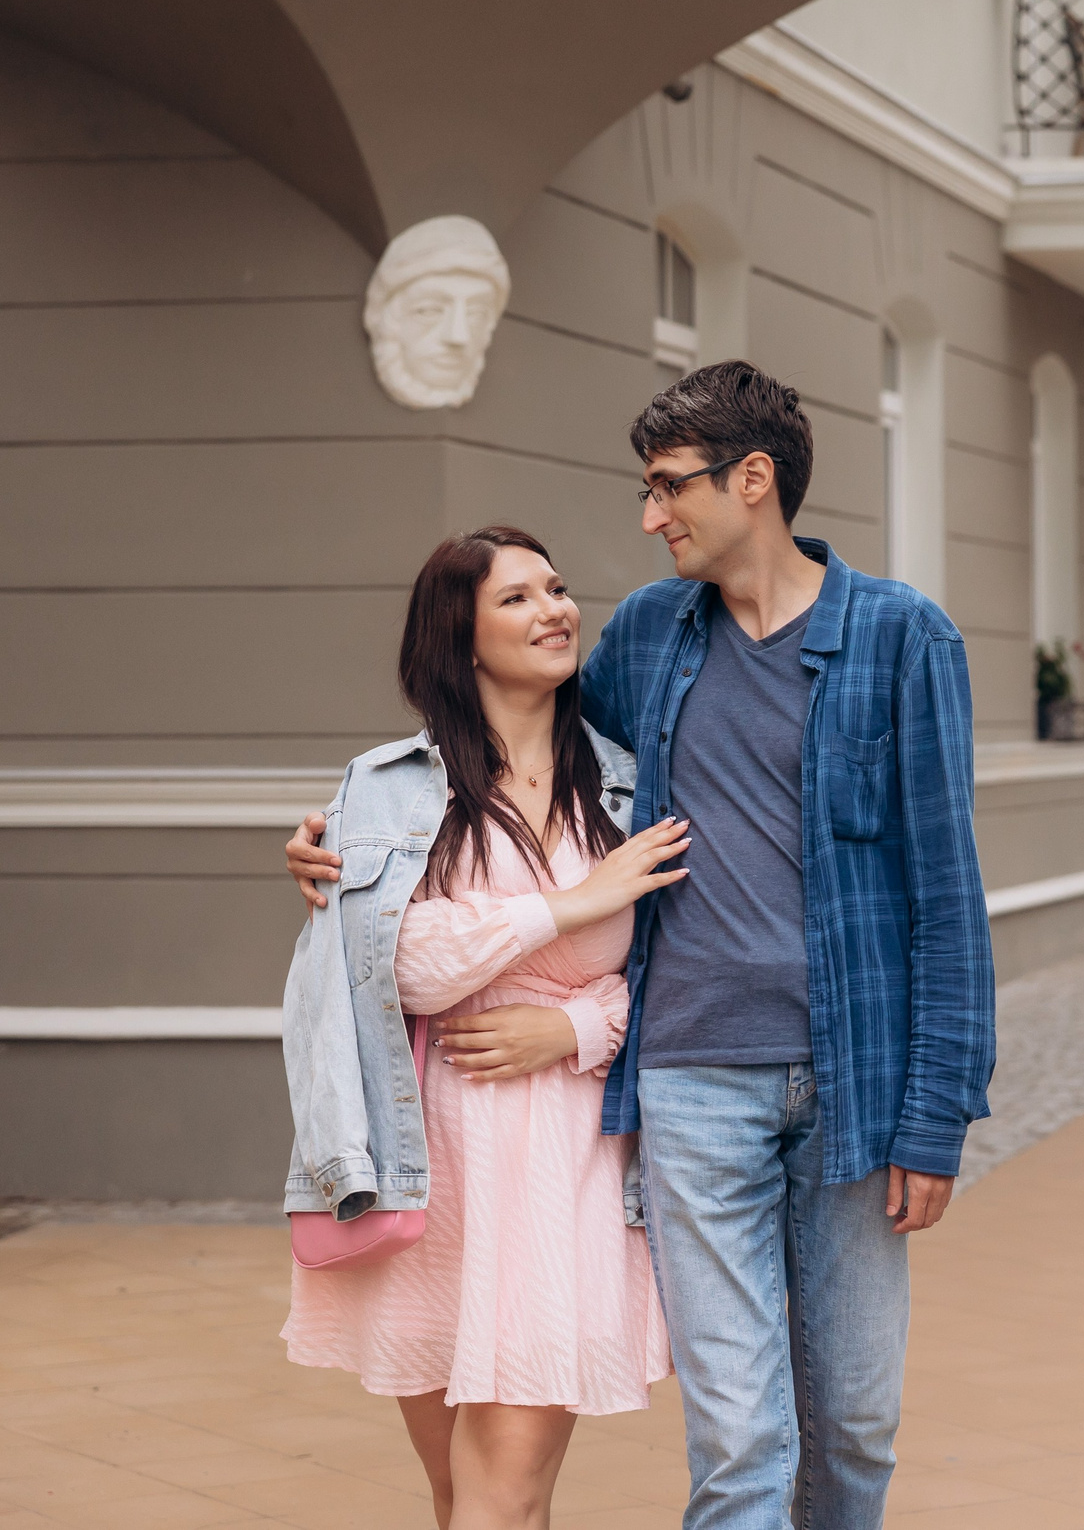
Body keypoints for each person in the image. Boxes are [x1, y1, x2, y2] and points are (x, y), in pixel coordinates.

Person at [287, 361, 995, 1530]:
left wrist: (938, 1115)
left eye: (668, 487)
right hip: (689, 1078)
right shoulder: (654, 638)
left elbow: (946, 897)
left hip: (859, 1085)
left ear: (751, 481)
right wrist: (338, 841)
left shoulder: (902, 637)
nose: (649, 515)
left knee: (857, 1422)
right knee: (740, 1431)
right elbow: (502, 749)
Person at [281, 528, 692, 1529]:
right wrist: (569, 906)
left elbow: (687, 971)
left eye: (556, 589)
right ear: (460, 639)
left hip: (572, 1165)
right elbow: (396, 967)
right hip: (433, 1161)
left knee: (500, 1496)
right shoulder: (385, 787)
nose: (554, 610)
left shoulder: (637, 784)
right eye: (516, 599)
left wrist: (581, 1030)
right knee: (463, 1495)